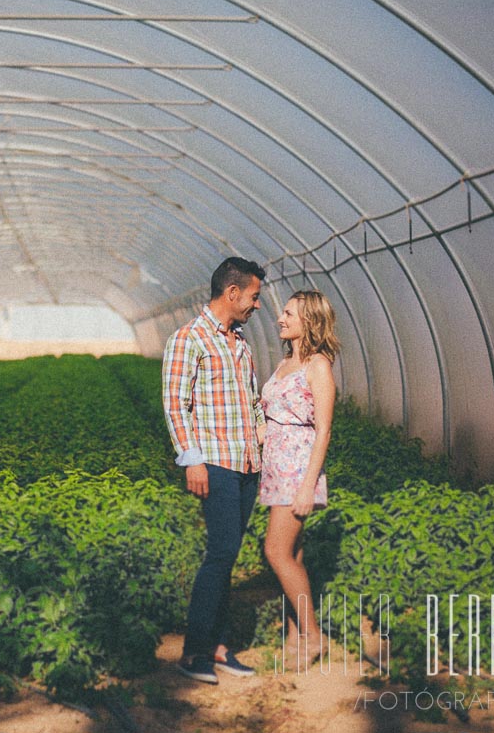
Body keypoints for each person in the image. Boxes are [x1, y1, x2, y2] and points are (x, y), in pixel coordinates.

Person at [162, 256, 267, 684]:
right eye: (255, 297)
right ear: (232, 293)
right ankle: (195, 651)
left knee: (229, 556)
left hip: (246, 464)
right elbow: (175, 403)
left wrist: (265, 435)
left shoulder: (238, 342)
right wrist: (192, 460)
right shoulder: (190, 339)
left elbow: (251, 400)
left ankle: (220, 647)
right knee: (220, 555)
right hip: (216, 463)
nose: (258, 306)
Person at [260, 289, 340, 667]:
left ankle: (313, 635)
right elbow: (275, 419)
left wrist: (309, 486)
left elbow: (323, 429)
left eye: (289, 314)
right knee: (292, 553)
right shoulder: (284, 363)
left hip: (296, 470)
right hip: (275, 467)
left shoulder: (318, 366)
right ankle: (295, 632)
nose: (281, 318)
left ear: (309, 321)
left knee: (275, 551)